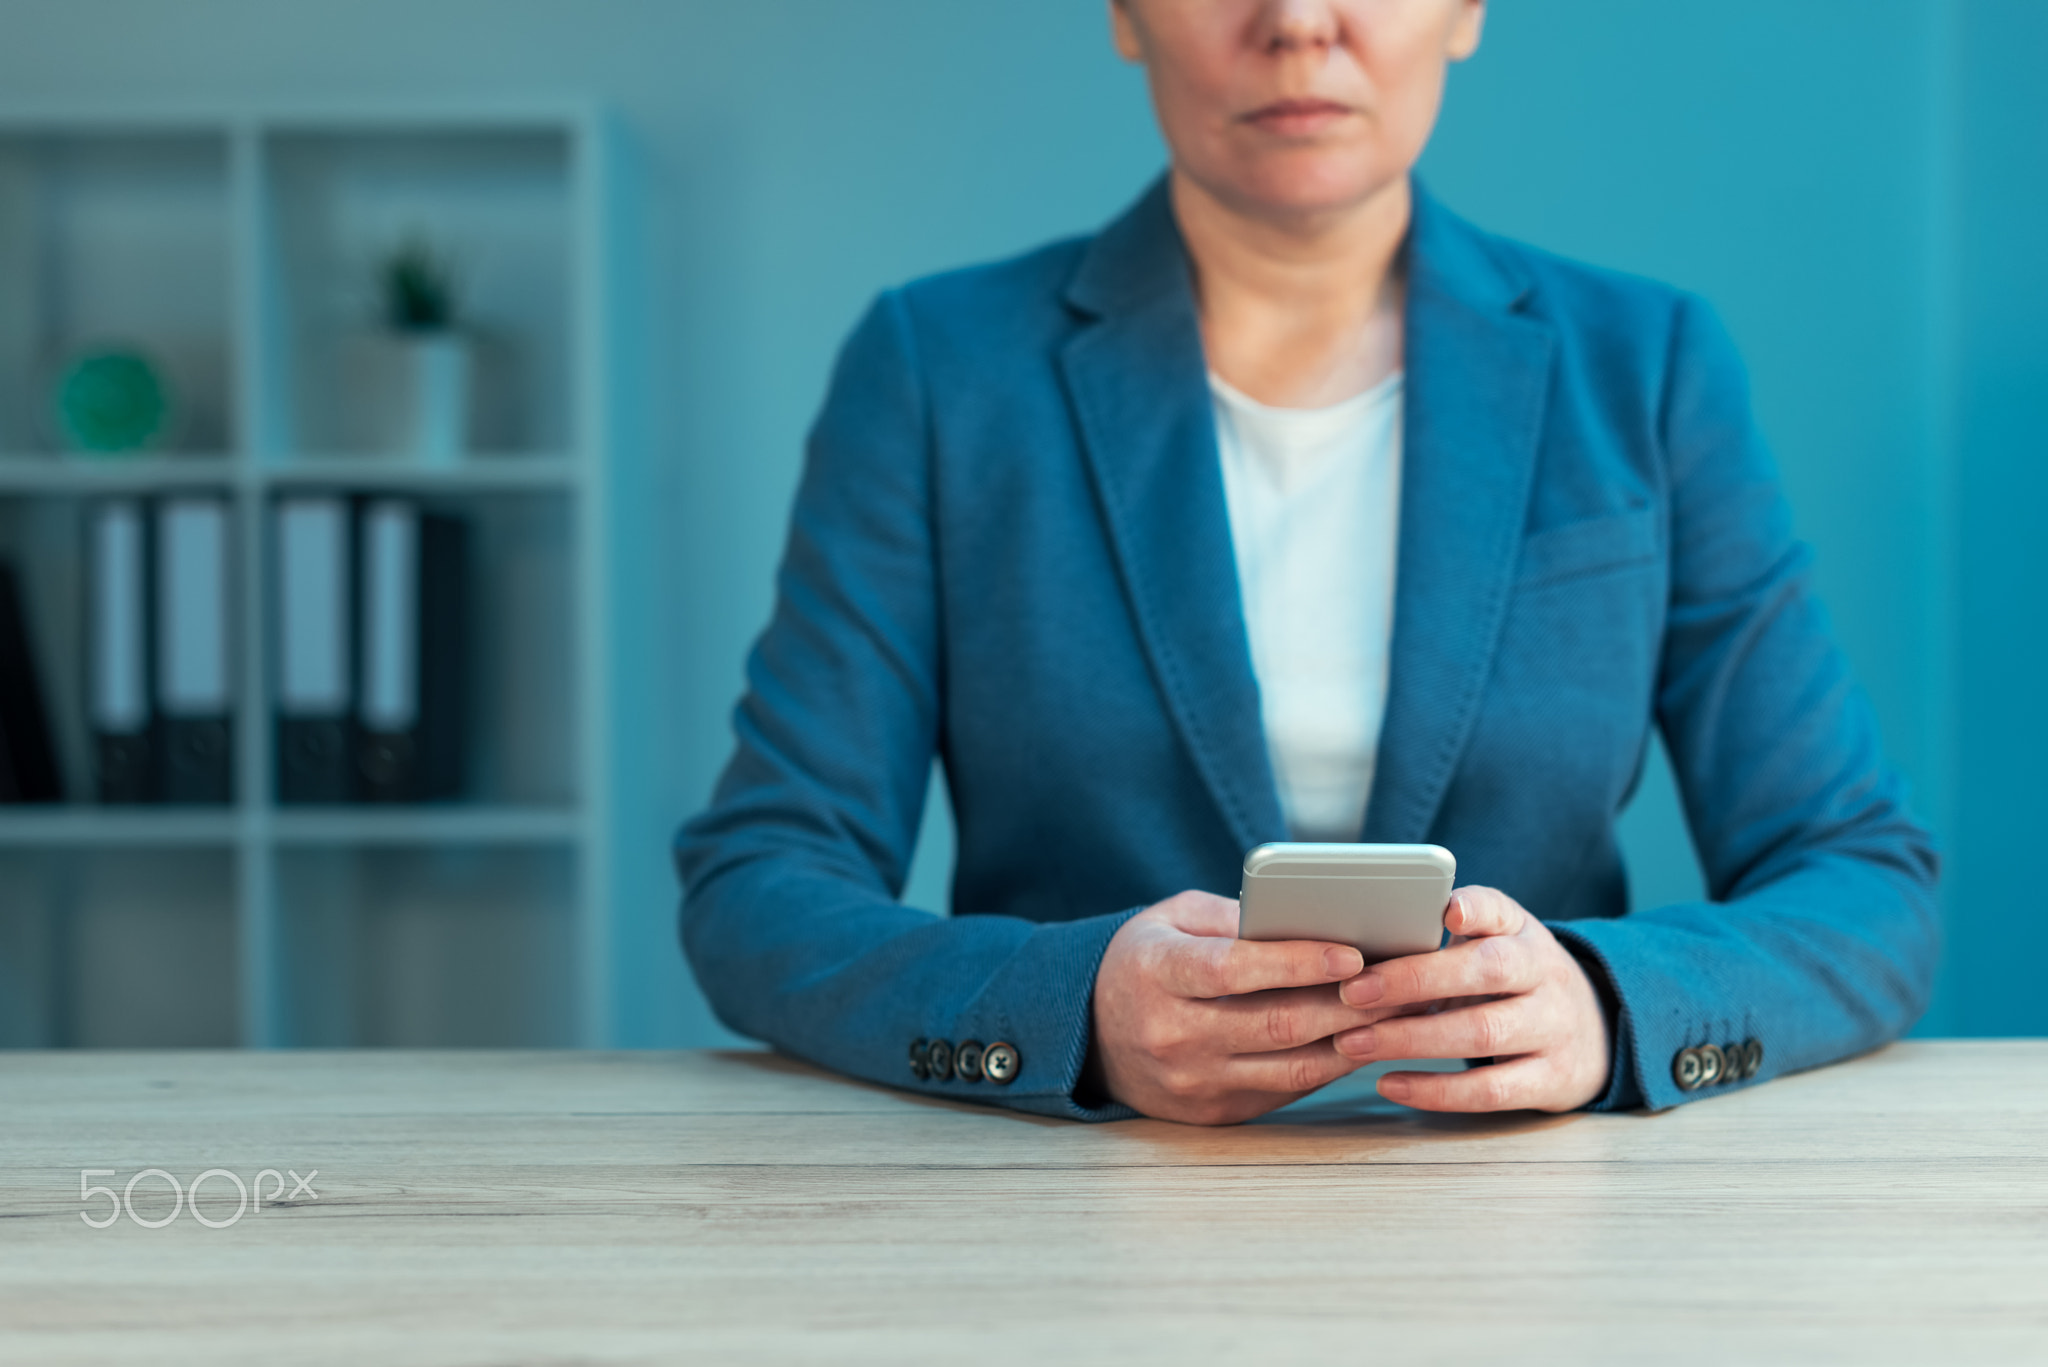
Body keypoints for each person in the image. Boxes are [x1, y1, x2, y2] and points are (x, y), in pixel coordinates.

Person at [675, 0, 1938, 1124]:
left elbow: (1861, 879)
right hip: (1079, 1208)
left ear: (1466, 10)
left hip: (1522, 1206)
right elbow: (761, 883)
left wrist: (1608, 1006)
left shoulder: (1645, 366)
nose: (1296, 21)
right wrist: (1070, 1008)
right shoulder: (938, 369)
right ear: (1123, 14)